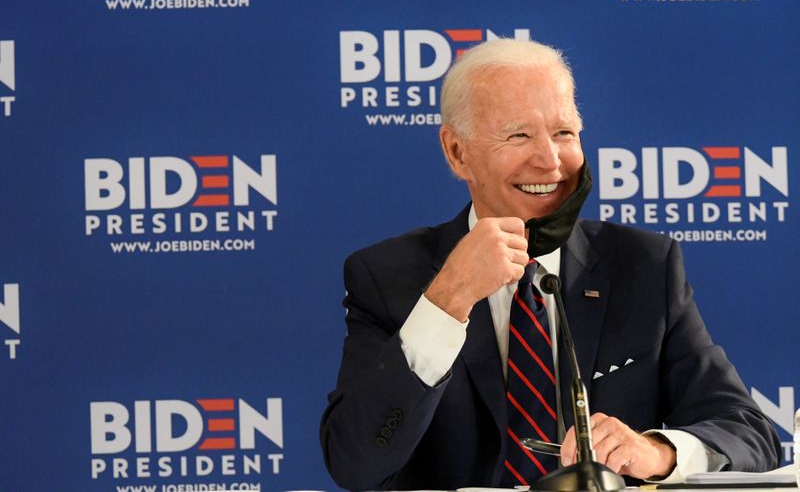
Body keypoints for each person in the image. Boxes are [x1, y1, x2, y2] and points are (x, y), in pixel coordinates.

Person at [319, 39, 780, 491]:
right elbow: (355, 464)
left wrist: (657, 451)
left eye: (564, 133)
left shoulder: (643, 265)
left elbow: (749, 432)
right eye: (519, 135)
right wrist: (447, 300)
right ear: (458, 153)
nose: (550, 160)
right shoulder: (386, 276)